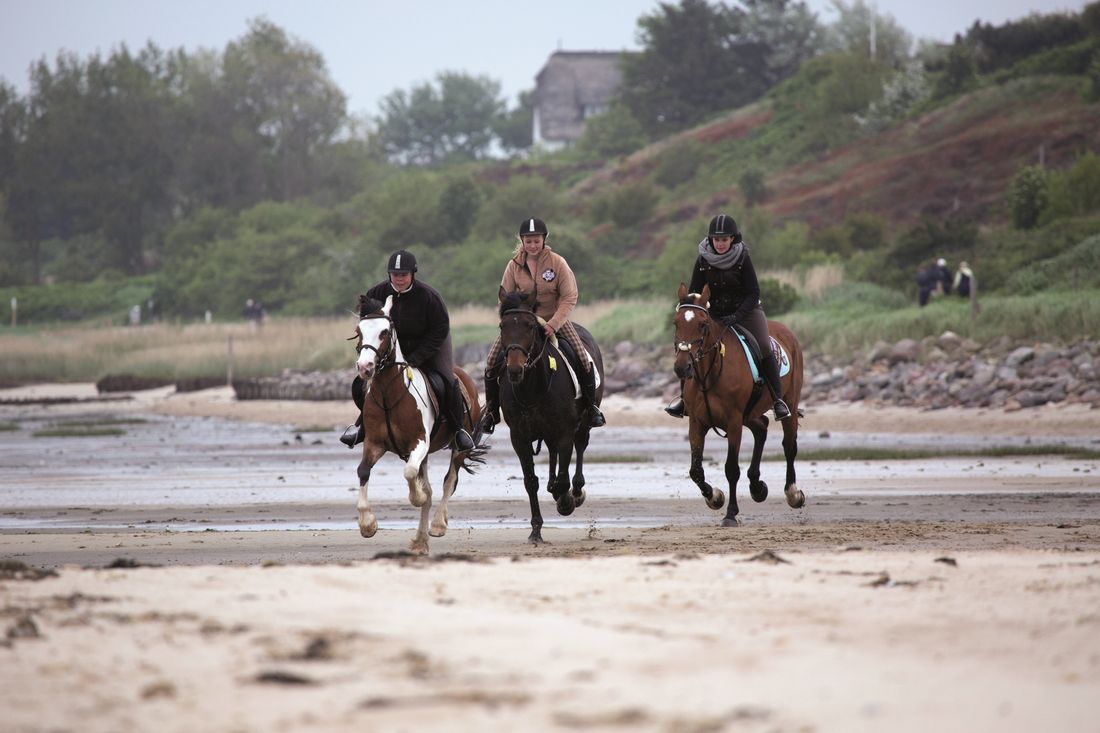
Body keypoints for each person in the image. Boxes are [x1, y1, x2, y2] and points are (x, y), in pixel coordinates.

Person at [340, 250, 474, 452]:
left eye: (403, 275)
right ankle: (362, 426)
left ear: (413, 274)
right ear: (389, 275)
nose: (399, 279)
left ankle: (458, 429)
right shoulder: (375, 294)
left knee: (448, 380)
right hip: (391, 348)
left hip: (430, 343)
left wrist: (417, 357)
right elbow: (367, 328)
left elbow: (439, 330)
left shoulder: (429, 297)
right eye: (395, 275)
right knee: (360, 383)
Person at [481, 217, 605, 433]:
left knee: (583, 359)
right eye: (528, 241)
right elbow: (505, 298)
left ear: (543, 240)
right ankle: (492, 412)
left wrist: (555, 323)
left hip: (554, 320)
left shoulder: (558, 263)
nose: (532, 245)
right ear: (522, 241)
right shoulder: (513, 266)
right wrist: (512, 321)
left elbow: (569, 297)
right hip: (522, 325)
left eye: (536, 240)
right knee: (492, 361)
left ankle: (591, 408)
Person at [665, 214, 791, 421]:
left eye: (724, 239)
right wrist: (696, 313)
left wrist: (737, 315)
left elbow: (753, 293)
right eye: (717, 239)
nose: (720, 243)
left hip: (747, 312)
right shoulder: (702, 259)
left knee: (763, 346)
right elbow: (696, 291)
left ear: (733, 239)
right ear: (711, 240)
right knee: (690, 349)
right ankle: (684, 401)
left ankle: (778, 400)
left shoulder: (742, 258)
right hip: (713, 315)